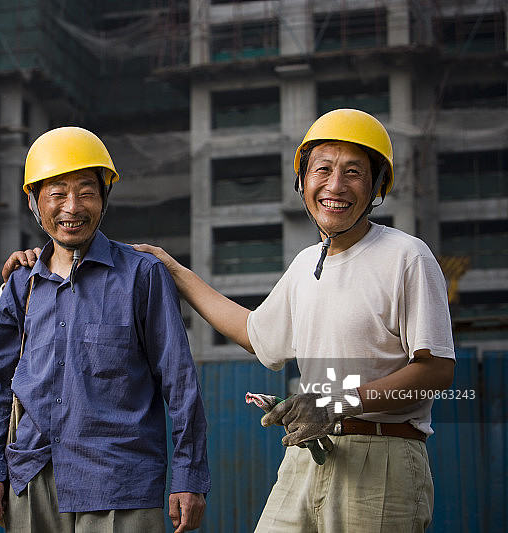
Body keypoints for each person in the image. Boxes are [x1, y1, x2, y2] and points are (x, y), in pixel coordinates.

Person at [128, 109, 455, 532]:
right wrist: (175, 272)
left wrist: (335, 402)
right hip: (306, 452)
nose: (335, 186)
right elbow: (254, 333)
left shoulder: (406, 256)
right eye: (323, 169)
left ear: (377, 186)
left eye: (354, 172)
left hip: (382, 457)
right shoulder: (305, 264)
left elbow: (436, 370)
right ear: (302, 180)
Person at [0, 126, 210, 533]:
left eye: (86, 192)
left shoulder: (141, 276)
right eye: (57, 194)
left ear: (104, 199)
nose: (72, 207)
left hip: (120, 482)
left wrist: (189, 475)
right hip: (32, 480)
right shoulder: (21, 284)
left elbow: (179, 381)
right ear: (33, 202)